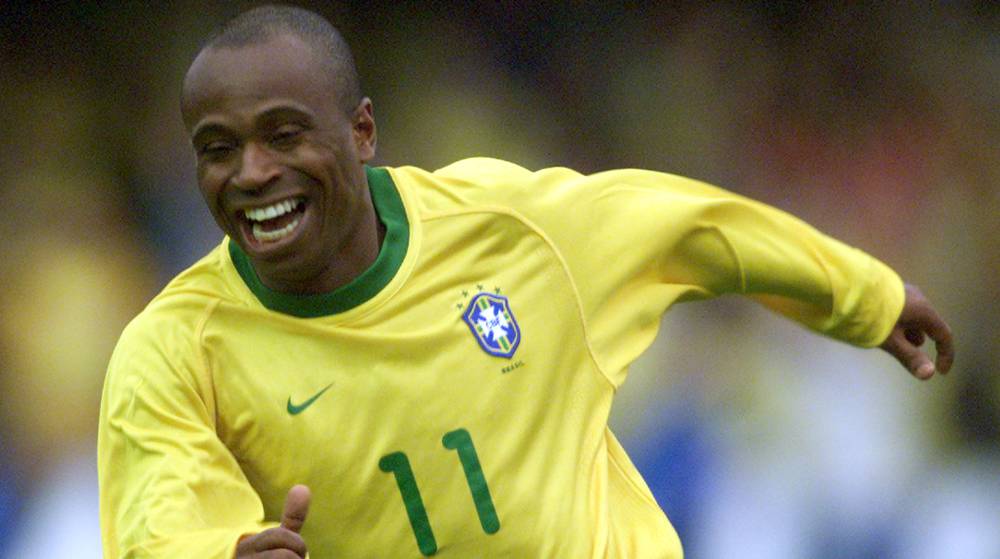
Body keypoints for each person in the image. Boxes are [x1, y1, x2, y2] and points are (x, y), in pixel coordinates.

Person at [97, 5, 954, 558]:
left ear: (361, 132)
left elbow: (690, 228)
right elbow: (159, 521)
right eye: (218, 149)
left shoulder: (512, 227)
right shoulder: (175, 352)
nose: (251, 172)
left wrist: (861, 295)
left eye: (284, 135)